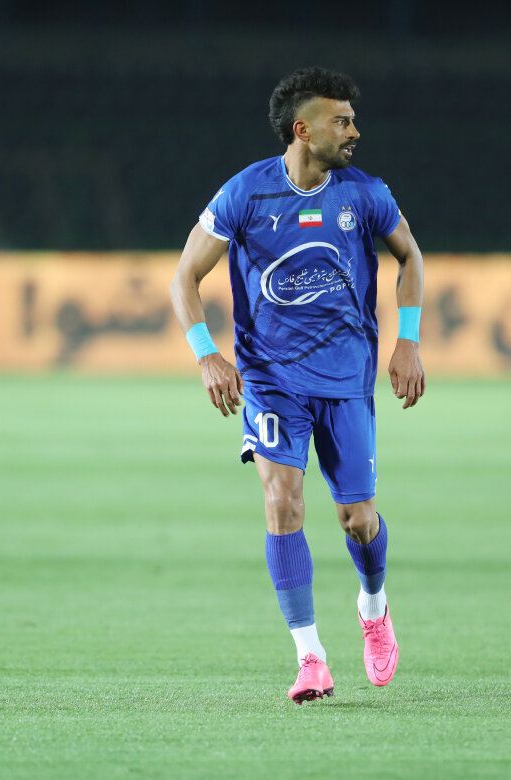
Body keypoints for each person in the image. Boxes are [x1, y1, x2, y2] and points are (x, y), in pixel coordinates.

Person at [169, 66, 426, 704]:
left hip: (346, 378)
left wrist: (409, 342)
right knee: (282, 501)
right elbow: (184, 277)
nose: (354, 131)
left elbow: (410, 256)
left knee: (357, 519)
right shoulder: (245, 194)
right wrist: (206, 355)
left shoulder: (365, 194)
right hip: (270, 378)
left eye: (353, 120)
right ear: (302, 129)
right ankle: (311, 658)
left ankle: (373, 607)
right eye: (342, 121)